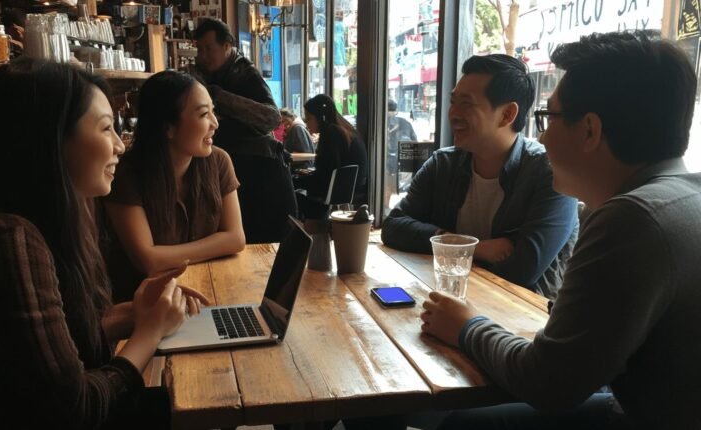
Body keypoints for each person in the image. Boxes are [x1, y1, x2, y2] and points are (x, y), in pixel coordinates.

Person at [422, 31, 701, 429]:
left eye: (547, 118)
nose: (540, 136)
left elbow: (547, 383)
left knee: (463, 424)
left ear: (589, 130)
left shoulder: (633, 219)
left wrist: (466, 325)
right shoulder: (682, 197)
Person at [0, 58, 210, 429]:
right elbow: (75, 408)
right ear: (50, 141)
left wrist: (131, 314)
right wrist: (149, 332)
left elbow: (45, 352)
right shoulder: (6, 239)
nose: (119, 146)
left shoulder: (27, 222)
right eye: (106, 128)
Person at [382, 54, 578, 299]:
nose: (453, 113)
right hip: (446, 303)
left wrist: (444, 246)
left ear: (507, 114)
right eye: (453, 101)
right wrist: (470, 246)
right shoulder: (443, 165)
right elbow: (392, 227)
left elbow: (522, 271)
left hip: (521, 323)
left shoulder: (549, 175)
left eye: (466, 103)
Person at [103, 71, 246, 303]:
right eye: (203, 114)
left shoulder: (219, 162)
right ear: (168, 127)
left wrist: (167, 257)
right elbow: (146, 260)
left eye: (213, 111)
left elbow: (236, 238)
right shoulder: (127, 174)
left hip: (208, 293)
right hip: (144, 307)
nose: (215, 123)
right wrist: (217, 243)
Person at [193, 18, 297, 244]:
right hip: (235, 172)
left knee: (262, 245)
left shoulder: (245, 74)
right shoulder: (205, 74)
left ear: (227, 45)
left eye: (208, 49)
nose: (202, 55)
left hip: (262, 174)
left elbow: (272, 117)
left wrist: (219, 97)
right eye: (199, 49)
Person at [294, 94, 368, 219]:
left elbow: (325, 175)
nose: (306, 123)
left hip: (335, 191)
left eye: (309, 118)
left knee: (289, 191)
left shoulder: (331, 133)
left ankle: (311, 231)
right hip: (351, 188)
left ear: (321, 118)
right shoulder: (345, 129)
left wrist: (295, 180)